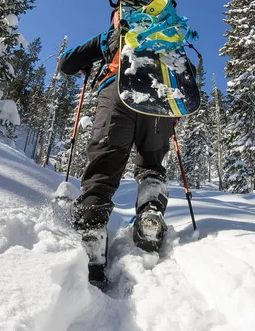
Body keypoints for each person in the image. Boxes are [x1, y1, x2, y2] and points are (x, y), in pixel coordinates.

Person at [58, 1, 175, 288]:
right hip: (158, 97)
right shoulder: (168, 33)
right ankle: (149, 215)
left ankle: (93, 233)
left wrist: (89, 61)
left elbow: (66, 64)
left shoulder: (110, 36)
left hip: (116, 92)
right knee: (152, 166)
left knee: (103, 170)